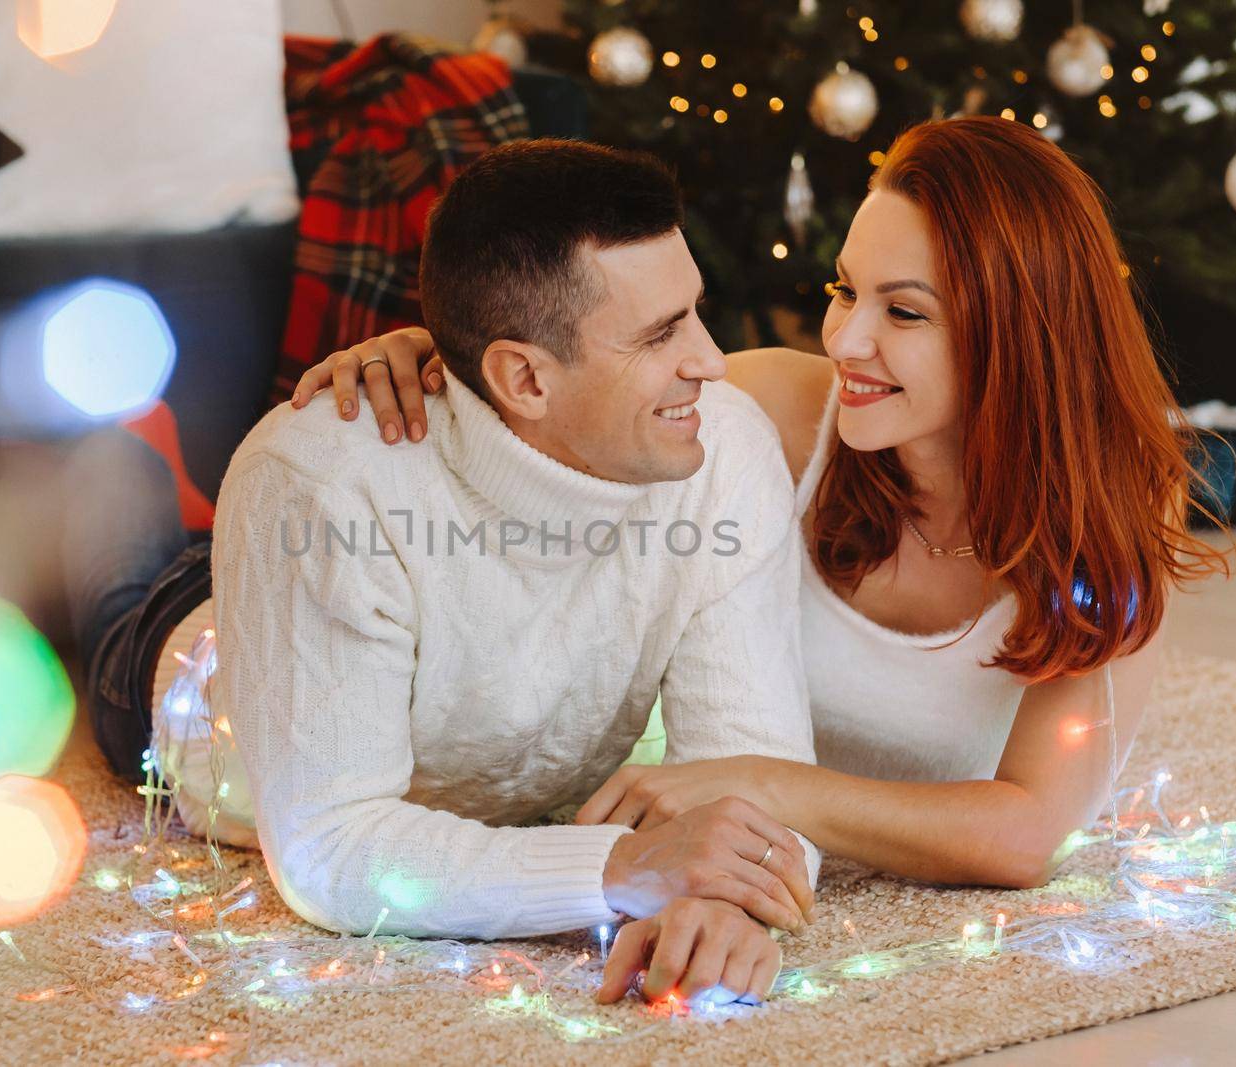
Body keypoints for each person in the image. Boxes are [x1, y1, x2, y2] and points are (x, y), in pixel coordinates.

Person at [292, 116, 1228, 930]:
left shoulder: (1110, 521)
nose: (847, 339)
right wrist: (436, 351)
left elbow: (1028, 831)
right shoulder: (779, 410)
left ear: (1019, 334)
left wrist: (766, 784)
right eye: (844, 289)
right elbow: (580, 387)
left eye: (903, 311)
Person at [78, 139, 830, 1006]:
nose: (707, 358)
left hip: (329, 579)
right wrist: (621, 866)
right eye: (661, 334)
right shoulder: (316, 484)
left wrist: (728, 901)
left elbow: (761, 777)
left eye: (695, 313)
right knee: (116, 588)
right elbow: (330, 849)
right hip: (198, 686)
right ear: (522, 377)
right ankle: (112, 458)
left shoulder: (722, 447)